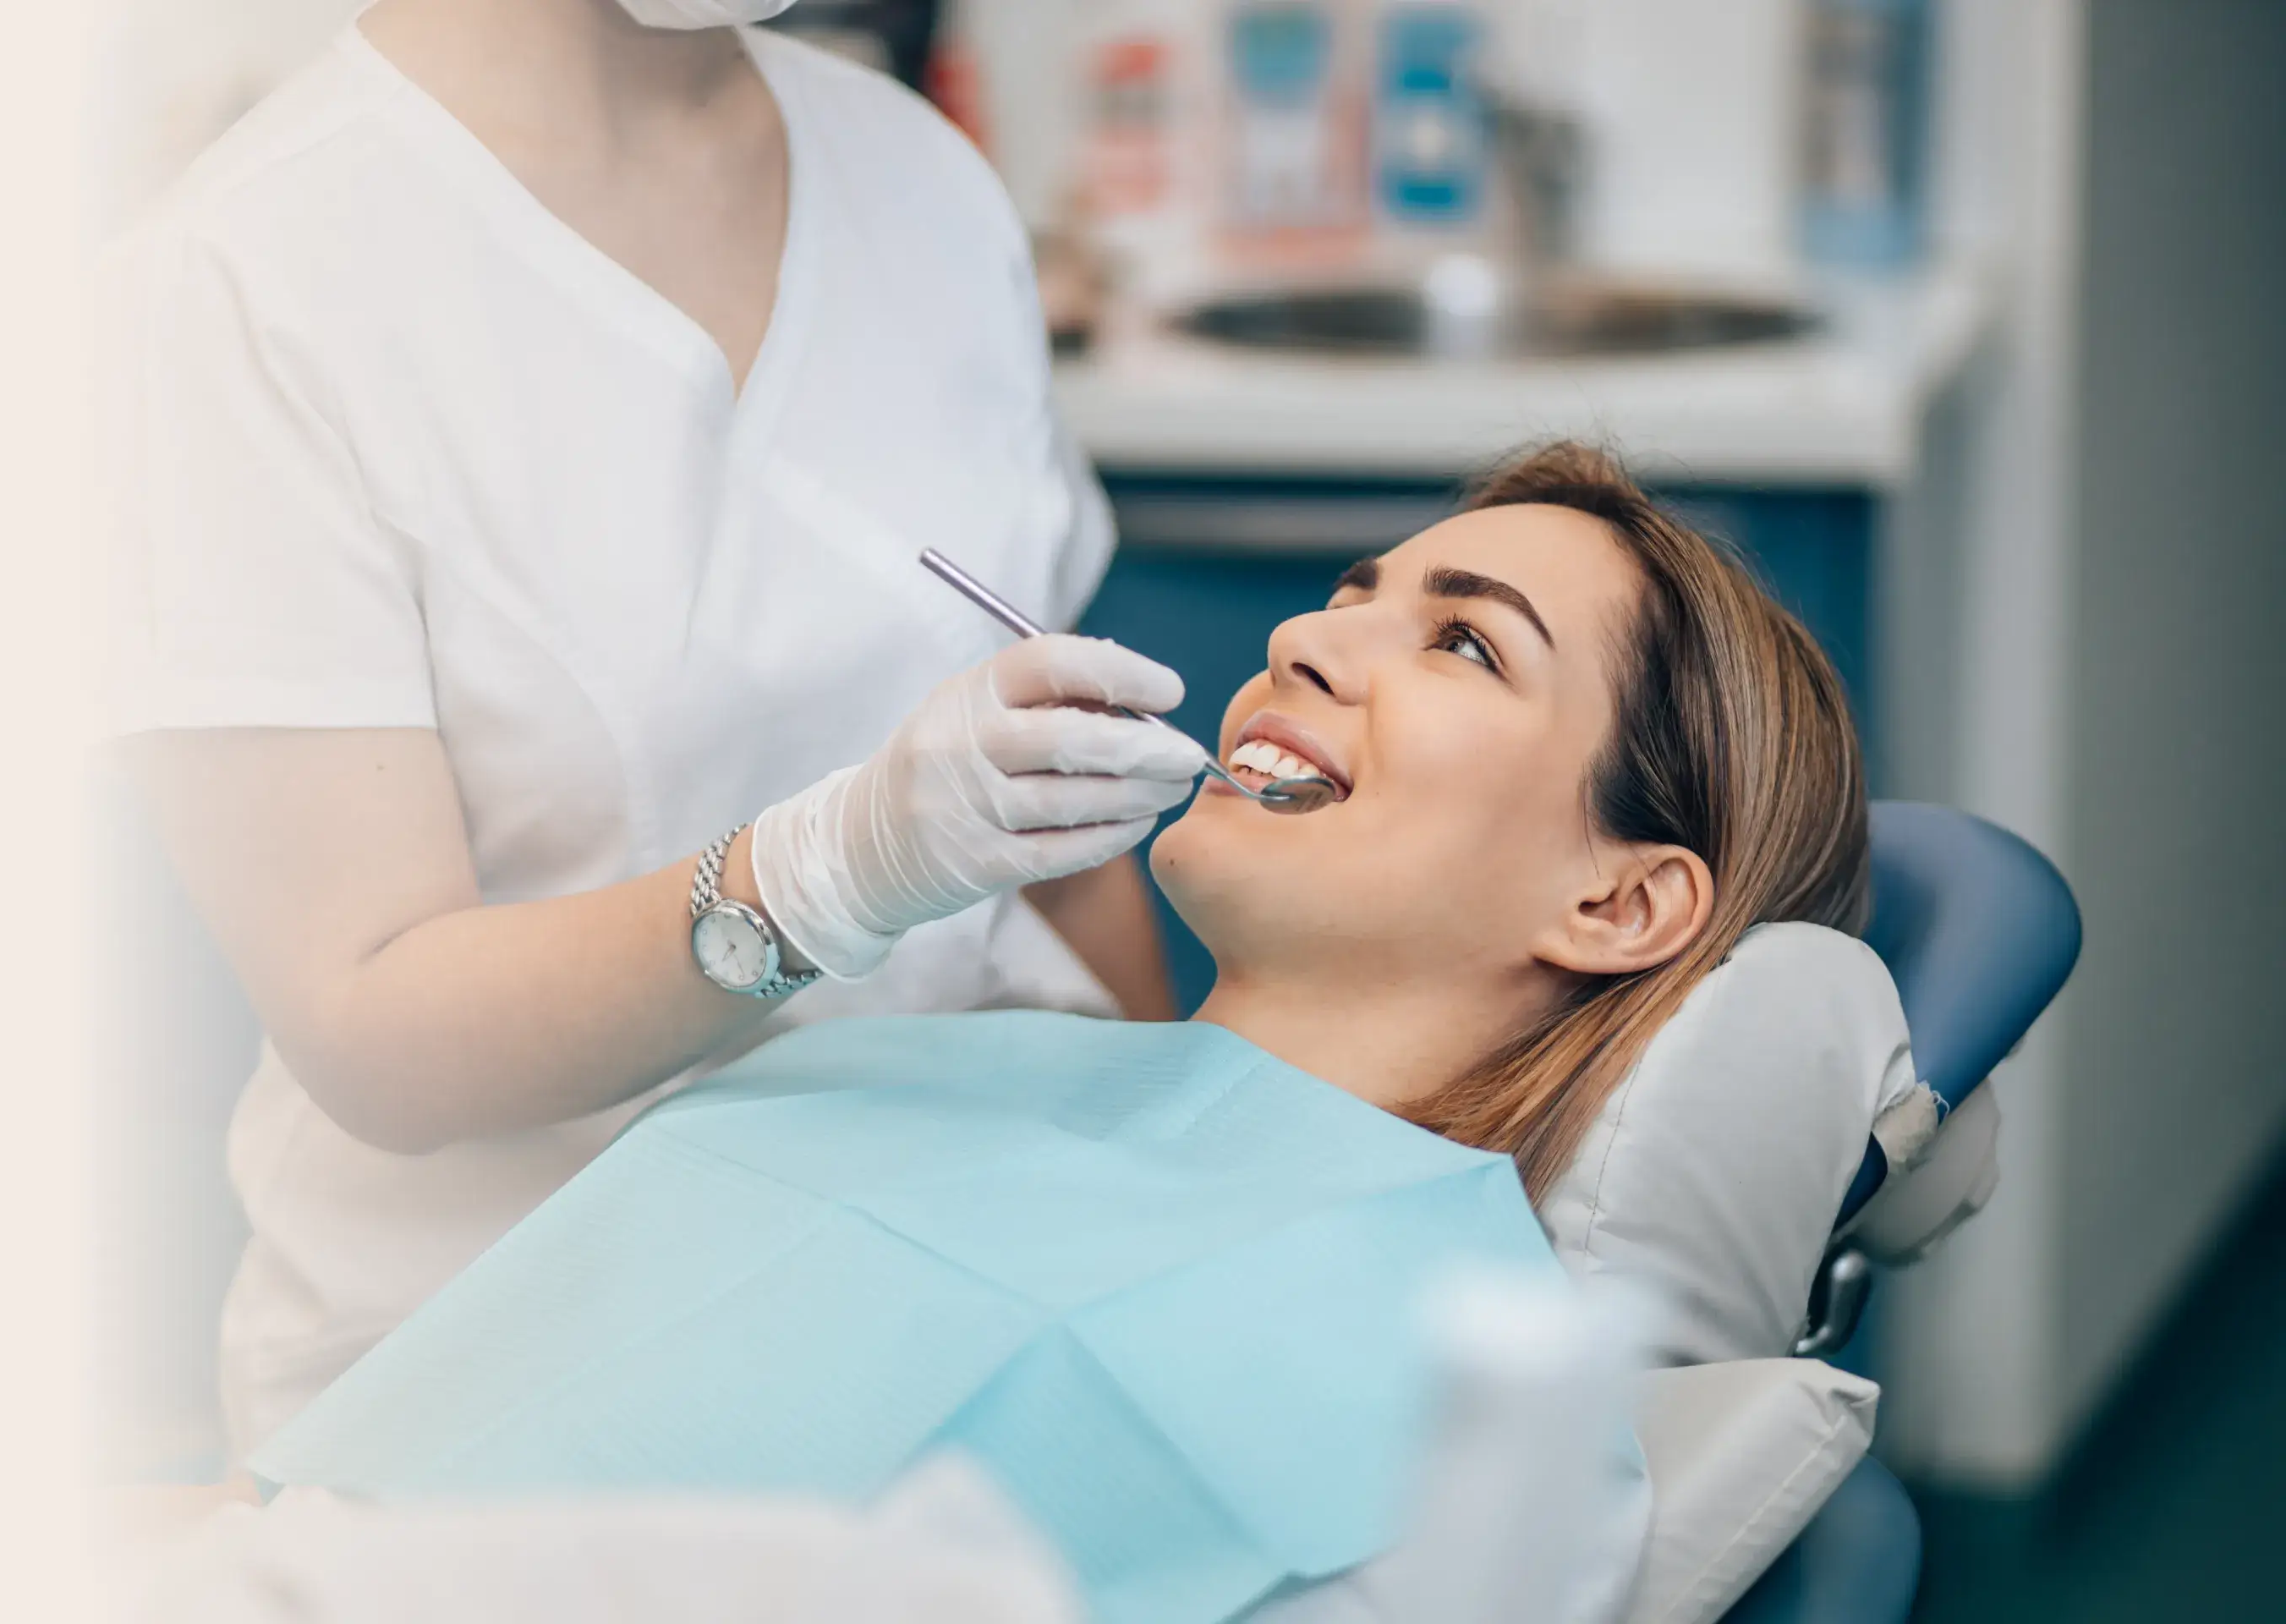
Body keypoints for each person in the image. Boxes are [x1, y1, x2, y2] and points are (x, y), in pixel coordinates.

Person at [244, 443, 1874, 1621]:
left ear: (1620, 903)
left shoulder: (1476, 1426)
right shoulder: (885, 1058)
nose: (1304, 643)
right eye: (1348, 596)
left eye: (1465, 642)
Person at [115, 0, 1205, 1452]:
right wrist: (820, 879)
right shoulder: (242, 277)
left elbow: (1065, 837)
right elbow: (370, 1024)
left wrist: (1175, 1223)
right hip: (499, 1400)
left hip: (954, 1333)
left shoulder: (919, 182)